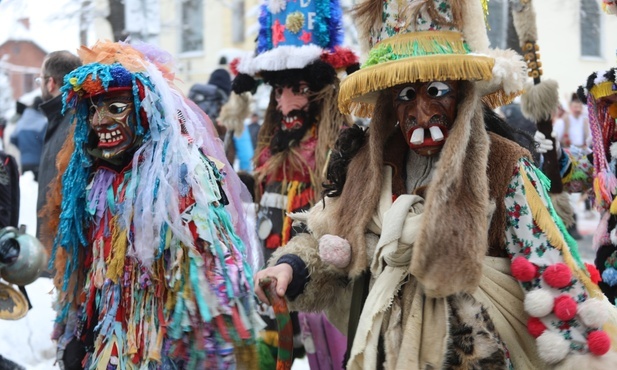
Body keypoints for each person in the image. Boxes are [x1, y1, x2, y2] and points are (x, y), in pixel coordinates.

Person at [255, 1, 617, 369]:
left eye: (436, 90)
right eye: (406, 95)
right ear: (389, 104)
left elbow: (548, 270)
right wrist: (289, 267)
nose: (422, 111)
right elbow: (326, 237)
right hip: (387, 350)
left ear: (462, 94)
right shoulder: (370, 165)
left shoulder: (503, 164)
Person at [46, 41, 261, 369]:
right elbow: (89, 270)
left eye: (115, 108)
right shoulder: (95, 184)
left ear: (146, 112)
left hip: (163, 349)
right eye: (92, 110)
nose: (99, 121)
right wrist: (77, 330)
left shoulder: (182, 179)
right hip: (109, 347)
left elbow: (216, 285)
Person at [230, 0, 359, 367]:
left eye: (298, 89)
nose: (285, 105)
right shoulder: (272, 146)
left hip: (327, 288)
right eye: (278, 92)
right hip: (274, 276)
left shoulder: (343, 147)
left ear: (322, 93)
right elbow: (266, 192)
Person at [36, 51, 82, 244]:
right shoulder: (64, 117)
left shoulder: (73, 121)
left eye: (40, 80)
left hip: (64, 253)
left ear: (51, 82)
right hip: (58, 250)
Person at [9, 96, 46, 181]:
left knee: (27, 188)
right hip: (39, 161)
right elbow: (46, 141)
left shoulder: (21, 121)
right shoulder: (42, 122)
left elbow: (12, 138)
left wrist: (23, 149)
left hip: (24, 162)